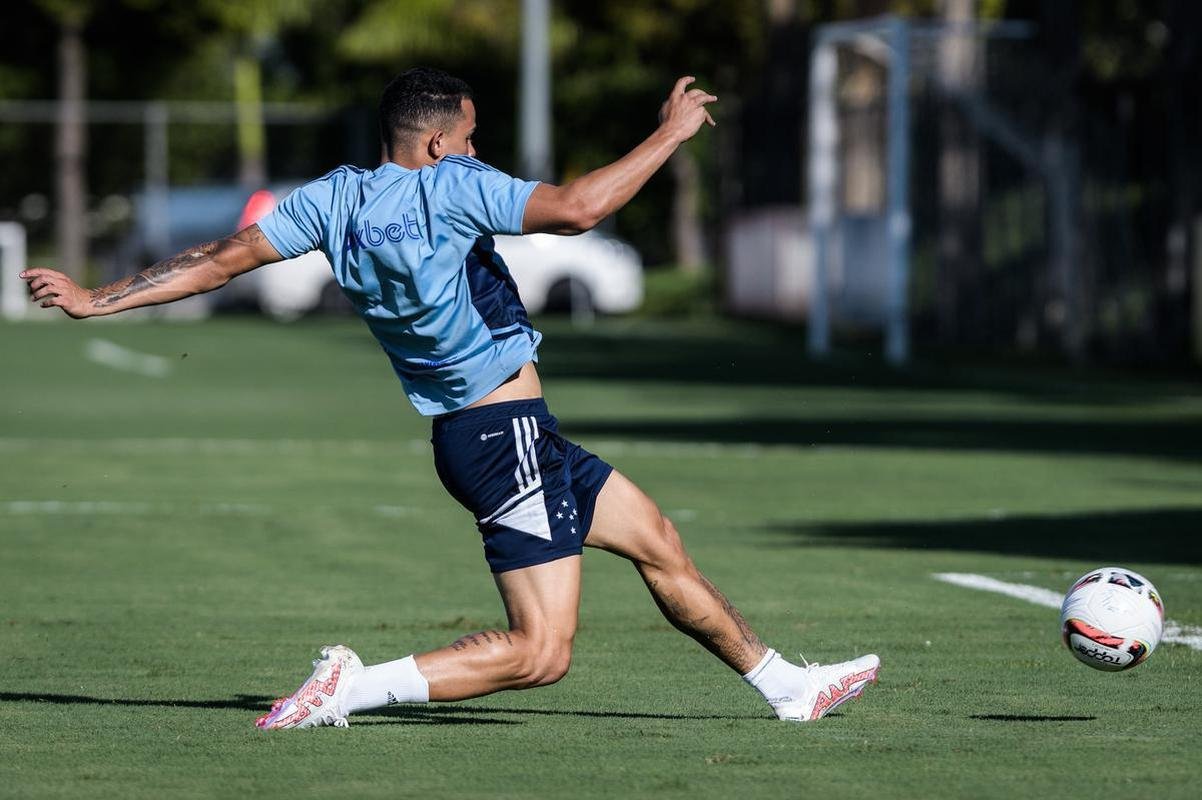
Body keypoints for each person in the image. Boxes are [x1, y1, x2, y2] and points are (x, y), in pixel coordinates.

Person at [21, 67, 879, 729]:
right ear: (435, 144)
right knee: (541, 654)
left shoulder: (337, 198)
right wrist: (669, 135)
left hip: (494, 433)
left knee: (657, 542)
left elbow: (217, 258)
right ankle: (352, 688)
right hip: (501, 434)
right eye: (469, 136)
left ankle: (786, 687)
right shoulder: (453, 186)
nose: (477, 149)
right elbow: (581, 209)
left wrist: (99, 298)